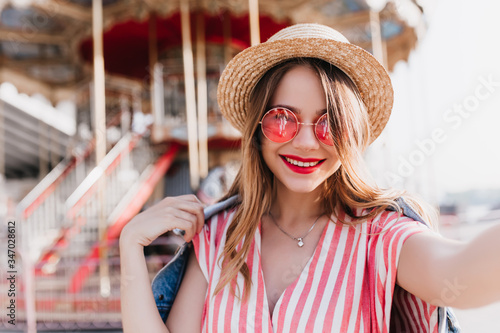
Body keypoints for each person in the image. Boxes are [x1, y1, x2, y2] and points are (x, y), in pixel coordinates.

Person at [119, 24, 500, 332]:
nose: (305, 143)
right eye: (282, 117)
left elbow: (459, 274)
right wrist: (130, 245)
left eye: (329, 123)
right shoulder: (219, 235)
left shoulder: (380, 236)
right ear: (258, 128)